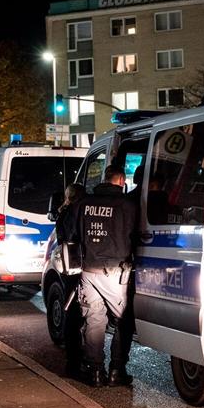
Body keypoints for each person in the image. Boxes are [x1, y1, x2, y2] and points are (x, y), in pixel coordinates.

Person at [75, 164, 137, 387]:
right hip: (115, 272)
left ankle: (95, 371)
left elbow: (73, 233)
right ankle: (116, 370)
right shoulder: (127, 205)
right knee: (123, 321)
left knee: (94, 319)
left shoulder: (84, 203)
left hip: (89, 270)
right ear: (121, 181)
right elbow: (137, 235)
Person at [55, 183, 85, 376]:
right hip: (77, 266)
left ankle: (73, 360)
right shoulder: (75, 212)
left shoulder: (64, 212)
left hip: (69, 267)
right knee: (75, 314)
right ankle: (74, 362)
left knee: (72, 312)